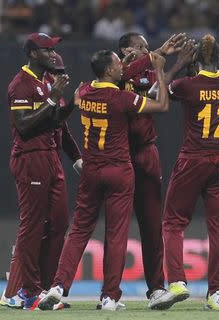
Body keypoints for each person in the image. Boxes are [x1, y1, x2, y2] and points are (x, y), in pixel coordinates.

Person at [38, 49, 169, 311]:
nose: (123, 66)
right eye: (118, 63)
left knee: (78, 231)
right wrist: (161, 71)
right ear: (109, 70)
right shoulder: (122, 98)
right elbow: (162, 105)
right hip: (119, 170)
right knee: (116, 234)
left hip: (91, 171)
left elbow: (81, 95)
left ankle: (57, 286)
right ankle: (110, 297)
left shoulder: (83, 91)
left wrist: (145, 59)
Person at [162, 34, 219, 310]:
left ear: (195, 61)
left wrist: (176, 65)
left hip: (193, 159)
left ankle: (176, 282)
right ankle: (217, 293)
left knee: (173, 221)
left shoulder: (187, 85)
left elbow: (158, 93)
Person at [1, 51, 80, 311]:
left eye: (62, 71)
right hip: (31, 157)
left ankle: (37, 289)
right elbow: (24, 126)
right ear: (45, 68)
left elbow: (61, 127)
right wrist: (54, 97)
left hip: (51, 158)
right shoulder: (24, 85)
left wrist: (77, 157)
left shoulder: (48, 86)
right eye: (56, 70)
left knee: (57, 224)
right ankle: (21, 292)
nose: (60, 75)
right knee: (32, 226)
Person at [116, 32, 186, 309]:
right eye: (140, 47)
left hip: (146, 152)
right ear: (124, 50)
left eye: (146, 47)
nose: (146, 52)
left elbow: (160, 91)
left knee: (151, 226)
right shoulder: (112, 76)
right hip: (119, 155)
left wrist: (176, 64)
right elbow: (124, 73)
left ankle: (156, 288)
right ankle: (110, 292)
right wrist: (159, 51)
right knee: (116, 228)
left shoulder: (143, 76)